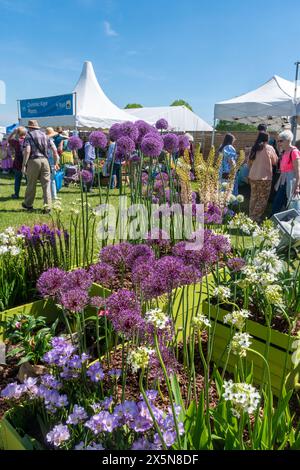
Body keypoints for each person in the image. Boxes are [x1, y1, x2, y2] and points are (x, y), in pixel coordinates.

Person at [21, 120, 58, 213]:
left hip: (34, 161)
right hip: (45, 161)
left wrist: (24, 164)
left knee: (31, 184)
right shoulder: (45, 135)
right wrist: (56, 162)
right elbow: (54, 150)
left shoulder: (28, 136)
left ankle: (28, 204)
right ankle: (48, 207)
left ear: (29, 127)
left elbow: (27, 150)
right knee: (46, 185)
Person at [248, 132, 278, 222]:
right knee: (262, 199)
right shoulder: (269, 148)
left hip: (253, 177)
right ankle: (255, 218)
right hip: (264, 178)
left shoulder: (254, 148)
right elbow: (275, 161)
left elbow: (249, 163)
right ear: (267, 139)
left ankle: (250, 217)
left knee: (253, 197)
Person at [272, 130, 300, 215]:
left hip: (291, 181)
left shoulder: (294, 152)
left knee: (289, 203)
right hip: (283, 181)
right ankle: (275, 220)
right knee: (280, 202)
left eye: (281, 141)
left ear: (288, 140)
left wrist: (297, 186)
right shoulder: (284, 152)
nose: (279, 143)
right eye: (278, 141)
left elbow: (298, 170)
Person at [8, 127, 27, 199]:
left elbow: (9, 139)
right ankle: (29, 196)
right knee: (29, 181)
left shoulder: (16, 142)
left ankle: (16, 194)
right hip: (28, 162)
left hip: (17, 162)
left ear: (18, 133)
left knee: (17, 180)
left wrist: (13, 132)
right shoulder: (28, 140)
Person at [45, 127, 60, 200]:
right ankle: (53, 195)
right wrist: (56, 163)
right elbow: (55, 153)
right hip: (51, 162)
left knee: (48, 180)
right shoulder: (50, 141)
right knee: (52, 179)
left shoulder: (44, 141)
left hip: (46, 161)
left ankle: (49, 195)